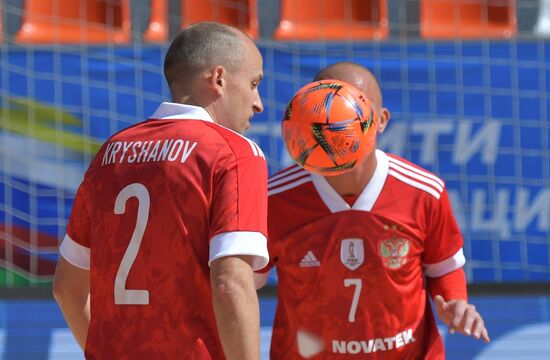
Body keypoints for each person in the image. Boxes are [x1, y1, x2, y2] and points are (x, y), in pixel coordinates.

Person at [53, 22, 268, 360]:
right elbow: (230, 283)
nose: (259, 103)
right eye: (254, 84)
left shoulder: (111, 153)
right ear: (218, 80)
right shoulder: (234, 152)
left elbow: (66, 288)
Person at [256, 62, 490, 359]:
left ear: (381, 120)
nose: (336, 123)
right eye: (327, 111)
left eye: (353, 108)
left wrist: (455, 303)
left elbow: (444, 268)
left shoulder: (424, 191)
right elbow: (244, 281)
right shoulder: (274, 198)